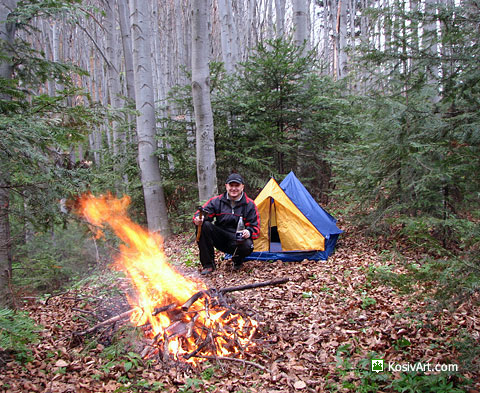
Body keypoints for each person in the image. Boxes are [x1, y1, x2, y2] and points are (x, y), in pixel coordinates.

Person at [193, 173, 260, 275]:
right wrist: (198, 219)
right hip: (220, 237)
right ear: (226, 186)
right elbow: (202, 213)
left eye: (237, 186)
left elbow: (256, 228)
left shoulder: (249, 204)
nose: (234, 188)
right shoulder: (217, 201)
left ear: (242, 187)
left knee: (248, 245)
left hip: (238, 240)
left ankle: (238, 261)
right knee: (203, 225)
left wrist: (249, 232)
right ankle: (208, 265)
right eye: (231, 185)